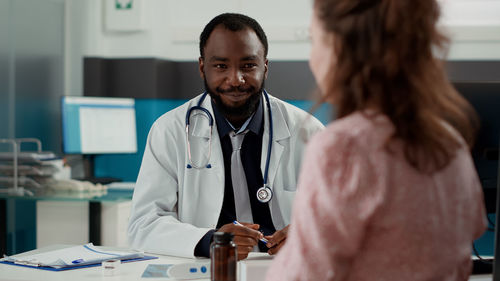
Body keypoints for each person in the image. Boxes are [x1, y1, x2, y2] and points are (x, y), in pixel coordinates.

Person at [266, 0, 486, 280]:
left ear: (340, 49)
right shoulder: (450, 144)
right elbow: (472, 229)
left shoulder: (344, 147)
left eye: (314, 41)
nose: (311, 59)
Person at [127, 13, 324, 260]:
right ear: (202, 68)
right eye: (221, 66)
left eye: (248, 65)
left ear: (265, 67)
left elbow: (342, 216)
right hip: (208, 269)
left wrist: (310, 234)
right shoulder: (169, 131)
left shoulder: (308, 131)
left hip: (287, 267)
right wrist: (211, 241)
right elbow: (144, 224)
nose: (235, 80)